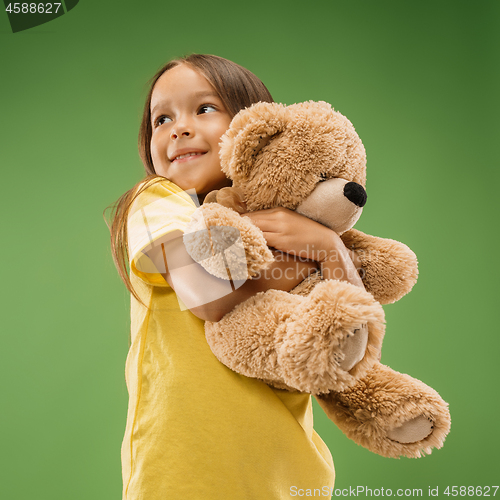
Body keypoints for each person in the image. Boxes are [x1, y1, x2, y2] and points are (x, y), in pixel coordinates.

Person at [108, 54, 365, 500]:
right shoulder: (159, 200)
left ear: (253, 129)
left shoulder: (294, 221)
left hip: (293, 481)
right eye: (161, 119)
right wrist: (318, 251)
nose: (178, 128)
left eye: (204, 109)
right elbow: (210, 299)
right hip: (182, 477)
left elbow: (351, 344)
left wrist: (334, 249)